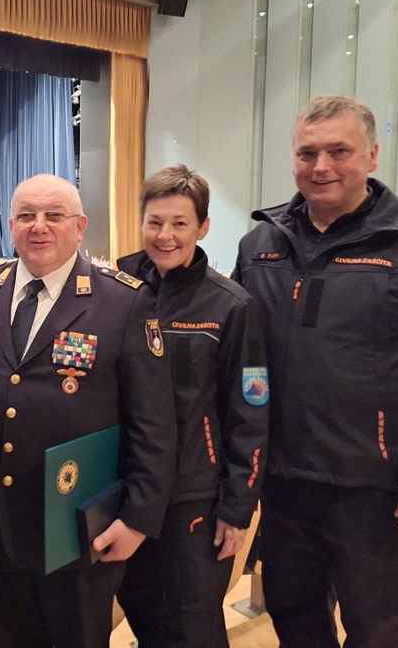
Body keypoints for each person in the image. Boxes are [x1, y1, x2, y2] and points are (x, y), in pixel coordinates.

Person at [233, 94, 398, 648]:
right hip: (284, 487)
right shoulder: (260, 245)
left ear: (372, 156)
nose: (321, 167)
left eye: (339, 151)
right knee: (295, 623)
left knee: (378, 634)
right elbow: (238, 360)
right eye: (307, 153)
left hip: (379, 496)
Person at [0, 174, 177, 648]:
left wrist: (138, 518)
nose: (39, 226)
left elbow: (154, 423)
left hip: (79, 524)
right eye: (26, 216)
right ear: (10, 226)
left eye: (54, 216)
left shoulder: (124, 300)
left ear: (79, 227)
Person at [116, 165, 268, 648]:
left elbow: (250, 414)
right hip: (128, 490)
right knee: (140, 608)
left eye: (179, 223)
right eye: (155, 222)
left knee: (191, 624)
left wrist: (238, 508)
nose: (165, 235)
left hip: (194, 499)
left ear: (202, 228)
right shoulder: (117, 288)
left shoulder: (231, 306)